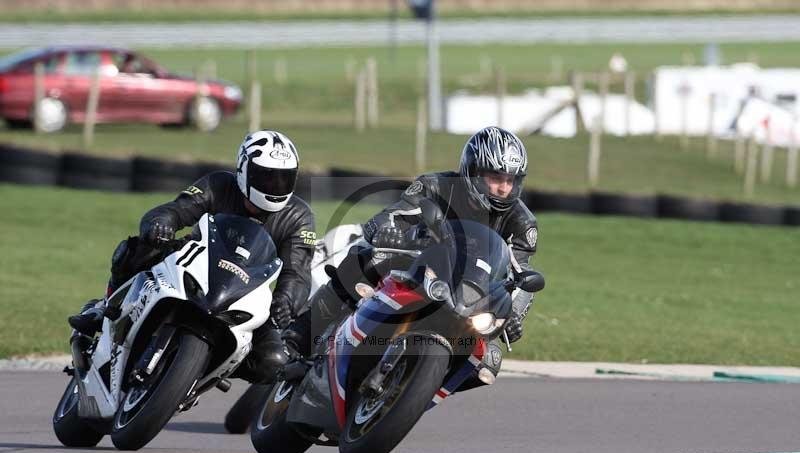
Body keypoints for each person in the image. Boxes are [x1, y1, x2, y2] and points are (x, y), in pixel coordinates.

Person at [282, 126, 538, 381]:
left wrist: (514, 313)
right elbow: (394, 215)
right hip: (420, 266)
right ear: (473, 171)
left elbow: (521, 276)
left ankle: (421, 391)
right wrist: (387, 231)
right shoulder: (435, 186)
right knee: (364, 259)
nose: (504, 188)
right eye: (496, 178)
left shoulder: (522, 222)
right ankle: (298, 336)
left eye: (511, 180)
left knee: (488, 362)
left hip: (471, 297)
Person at [68, 130, 316, 384]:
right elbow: (178, 209)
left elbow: (297, 272)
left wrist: (286, 301)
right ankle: (104, 307)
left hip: (246, 293)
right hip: (194, 263)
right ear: (244, 170)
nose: (274, 186)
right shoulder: (219, 184)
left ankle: (203, 373)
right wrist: (162, 223)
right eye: (266, 176)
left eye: (284, 178)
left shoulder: (299, 217)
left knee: (273, 362)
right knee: (137, 249)